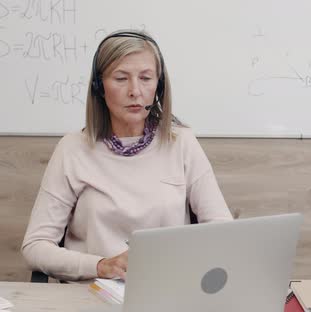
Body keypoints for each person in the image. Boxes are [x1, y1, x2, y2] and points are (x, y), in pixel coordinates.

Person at [21, 30, 233, 281]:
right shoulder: (72, 148)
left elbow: (222, 231)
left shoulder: (182, 143)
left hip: (168, 290)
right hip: (92, 294)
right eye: (121, 78)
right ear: (99, 87)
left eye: (146, 78)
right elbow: (35, 247)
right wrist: (100, 265)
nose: (135, 91)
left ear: (159, 86)